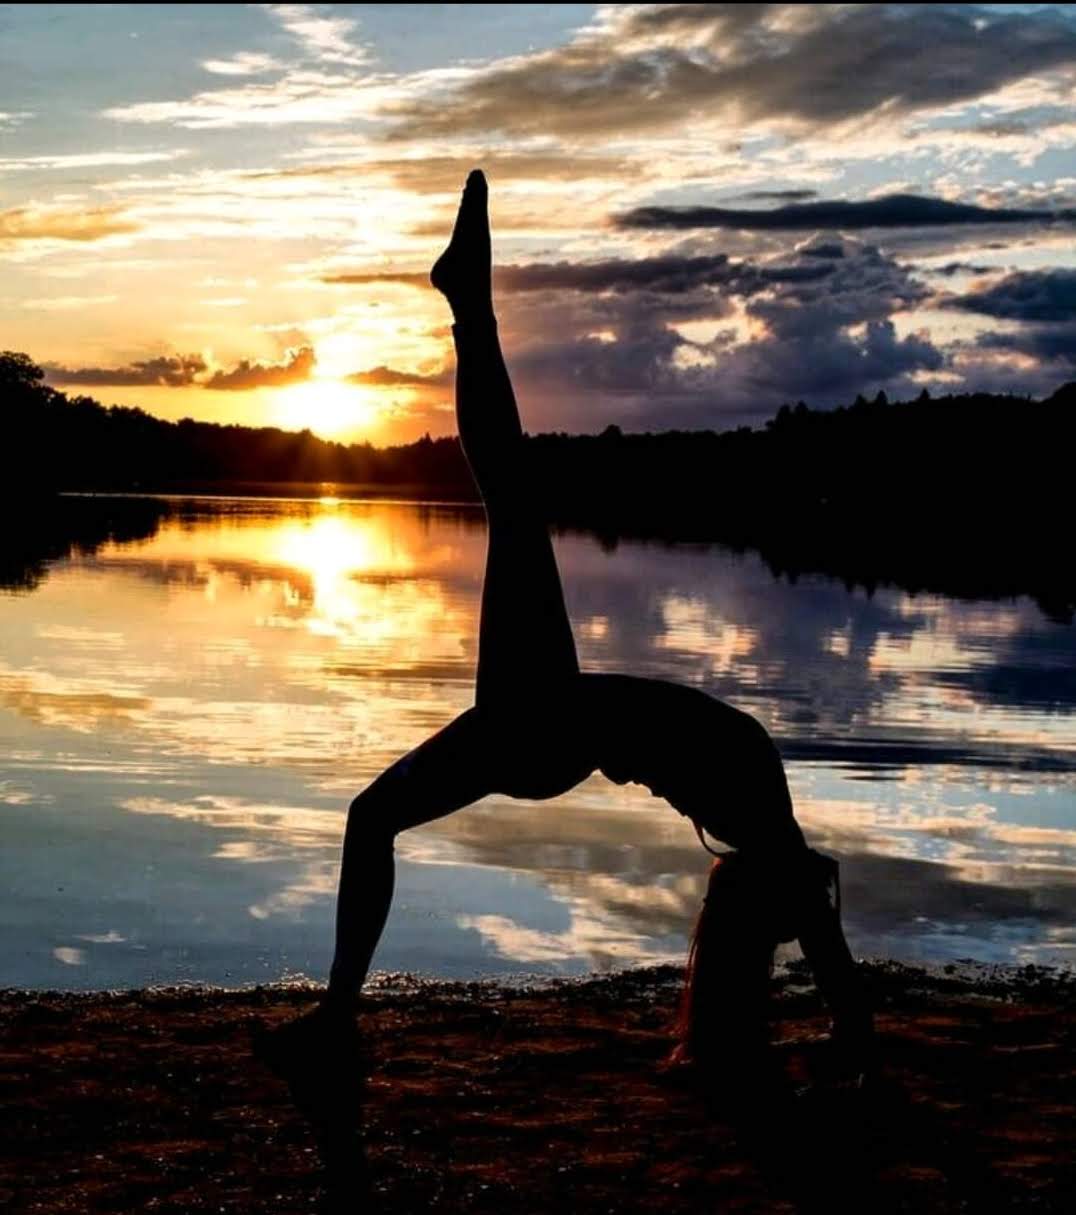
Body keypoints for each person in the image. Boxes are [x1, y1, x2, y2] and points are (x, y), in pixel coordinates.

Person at [262, 170, 874, 1083]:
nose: (727, 907)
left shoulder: (758, 794)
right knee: (377, 807)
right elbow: (816, 922)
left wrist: (852, 1029)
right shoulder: (758, 804)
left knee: (513, 507)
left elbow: (817, 924)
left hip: (546, 728)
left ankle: (470, 309)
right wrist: (853, 1031)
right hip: (551, 726)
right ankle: (468, 306)